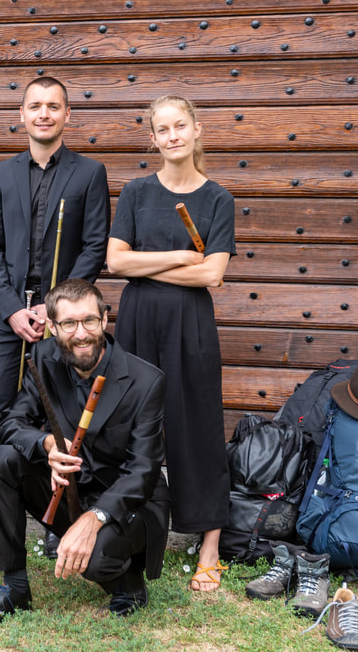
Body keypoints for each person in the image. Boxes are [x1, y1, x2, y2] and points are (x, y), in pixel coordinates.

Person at [0, 279, 169, 628]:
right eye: (69, 323)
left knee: (96, 559)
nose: (81, 334)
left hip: (128, 501)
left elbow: (143, 472)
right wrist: (47, 446)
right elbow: (11, 424)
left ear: (105, 319)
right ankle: (14, 588)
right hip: (70, 486)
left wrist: (93, 519)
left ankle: (128, 583)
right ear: (53, 327)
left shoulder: (146, 380)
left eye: (89, 320)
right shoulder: (44, 358)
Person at [0, 76, 110, 549]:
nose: (44, 114)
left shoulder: (89, 173)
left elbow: (93, 247)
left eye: (53, 106)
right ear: (22, 115)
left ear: (68, 114)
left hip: (62, 318)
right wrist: (13, 308)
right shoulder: (2, 174)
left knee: (59, 415)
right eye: (35, 106)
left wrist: (55, 310)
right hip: (8, 315)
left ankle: (61, 519)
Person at [105, 94, 235, 593]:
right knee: (127, 423)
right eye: (163, 129)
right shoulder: (136, 192)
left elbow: (214, 275)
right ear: (153, 138)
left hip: (190, 323)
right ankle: (119, 527)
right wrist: (182, 256)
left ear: (197, 129)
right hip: (139, 318)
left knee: (197, 425)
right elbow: (116, 262)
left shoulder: (218, 199)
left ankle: (209, 547)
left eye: (180, 125)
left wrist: (146, 264)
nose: (173, 135)